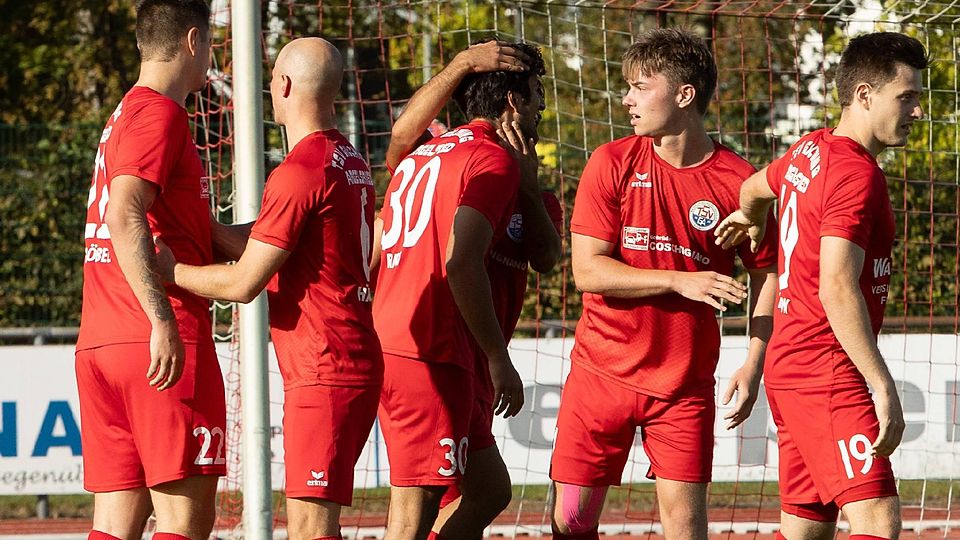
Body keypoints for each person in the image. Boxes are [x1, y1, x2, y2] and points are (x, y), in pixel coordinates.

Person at [550, 28, 778, 540]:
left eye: (640, 86)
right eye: (626, 86)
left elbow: (768, 274)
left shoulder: (739, 182)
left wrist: (753, 361)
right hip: (599, 374)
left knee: (685, 527)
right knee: (571, 521)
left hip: (683, 386)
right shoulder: (611, 162)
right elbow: (587, 271)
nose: (626, 98)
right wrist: (678, 281)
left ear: (684, 95)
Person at [156, 38, 381, 540]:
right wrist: (205, 225)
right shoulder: (347, 157)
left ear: (283, 85)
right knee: (316, 524)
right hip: (345, 359)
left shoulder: (299, 171)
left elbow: (242, 283)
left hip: (326, 368)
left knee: (309, 527)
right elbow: (275, 240)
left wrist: (171, 271)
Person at [714, 32, 928, 540]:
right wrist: (881, 384)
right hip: (826, 371)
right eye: (908, 97)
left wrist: (749, 214)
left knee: (807, 527)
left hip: (791, 370)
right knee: (878, 520)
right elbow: (836, 284)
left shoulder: (810, 148)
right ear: (864, 95)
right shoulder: (857, 174)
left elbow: (753, 188)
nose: (918, 112)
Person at [381, 40, 563, 540]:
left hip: (438, 348)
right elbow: (461, 264)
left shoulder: (428, 157)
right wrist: (498, 356)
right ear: (514, 101)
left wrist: (528, 186)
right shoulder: (486, 160)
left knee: (488, 489)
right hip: (437, 348)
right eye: (537, 95)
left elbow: (547, 256)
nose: (542, 107)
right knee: (411, 514)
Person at [75, 1, 223, 539]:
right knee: (185, 520)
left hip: (102, 338)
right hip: (156, 339)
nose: (211, 54)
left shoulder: (126, 114)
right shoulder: (160, 113)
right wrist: (161, 319)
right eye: (210, 43)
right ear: (191, 42)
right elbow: (123, 212)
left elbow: (185, 227)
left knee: (117, 524)